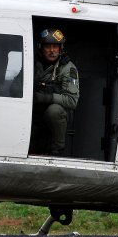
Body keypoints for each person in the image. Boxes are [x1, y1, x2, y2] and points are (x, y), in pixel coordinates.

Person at [30, 28, 80, 156]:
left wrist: (44, 97)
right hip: (35, 109)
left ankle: (57, 148)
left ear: (60, 48)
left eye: (55, 47)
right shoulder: (32, 63)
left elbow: (71, 100)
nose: (52, 51)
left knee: (54, 111)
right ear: (41, 48)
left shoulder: (68, 68)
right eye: (48, 47)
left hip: (58, 114)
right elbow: (15, 86)